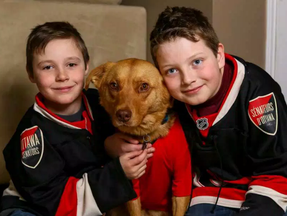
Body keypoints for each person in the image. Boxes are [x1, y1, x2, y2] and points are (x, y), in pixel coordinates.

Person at [105, 6, 287, 216]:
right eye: (172, 70)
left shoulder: (258, 93)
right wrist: (109, 144)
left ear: (219, 55)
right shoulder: (170, 97)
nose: (188, 79)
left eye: (197, 62)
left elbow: (276, 172)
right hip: (206, 192)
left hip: (263, 191)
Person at [0, 21, 150, 216]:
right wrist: (118, 174)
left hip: (87, 199)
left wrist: (108, 145)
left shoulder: (103, 103)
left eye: (71, 64)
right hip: (33, 206)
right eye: (47, 67)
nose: (62, 75)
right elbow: (57, 200)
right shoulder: (32, 133)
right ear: (31, 74)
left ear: (86, 66)